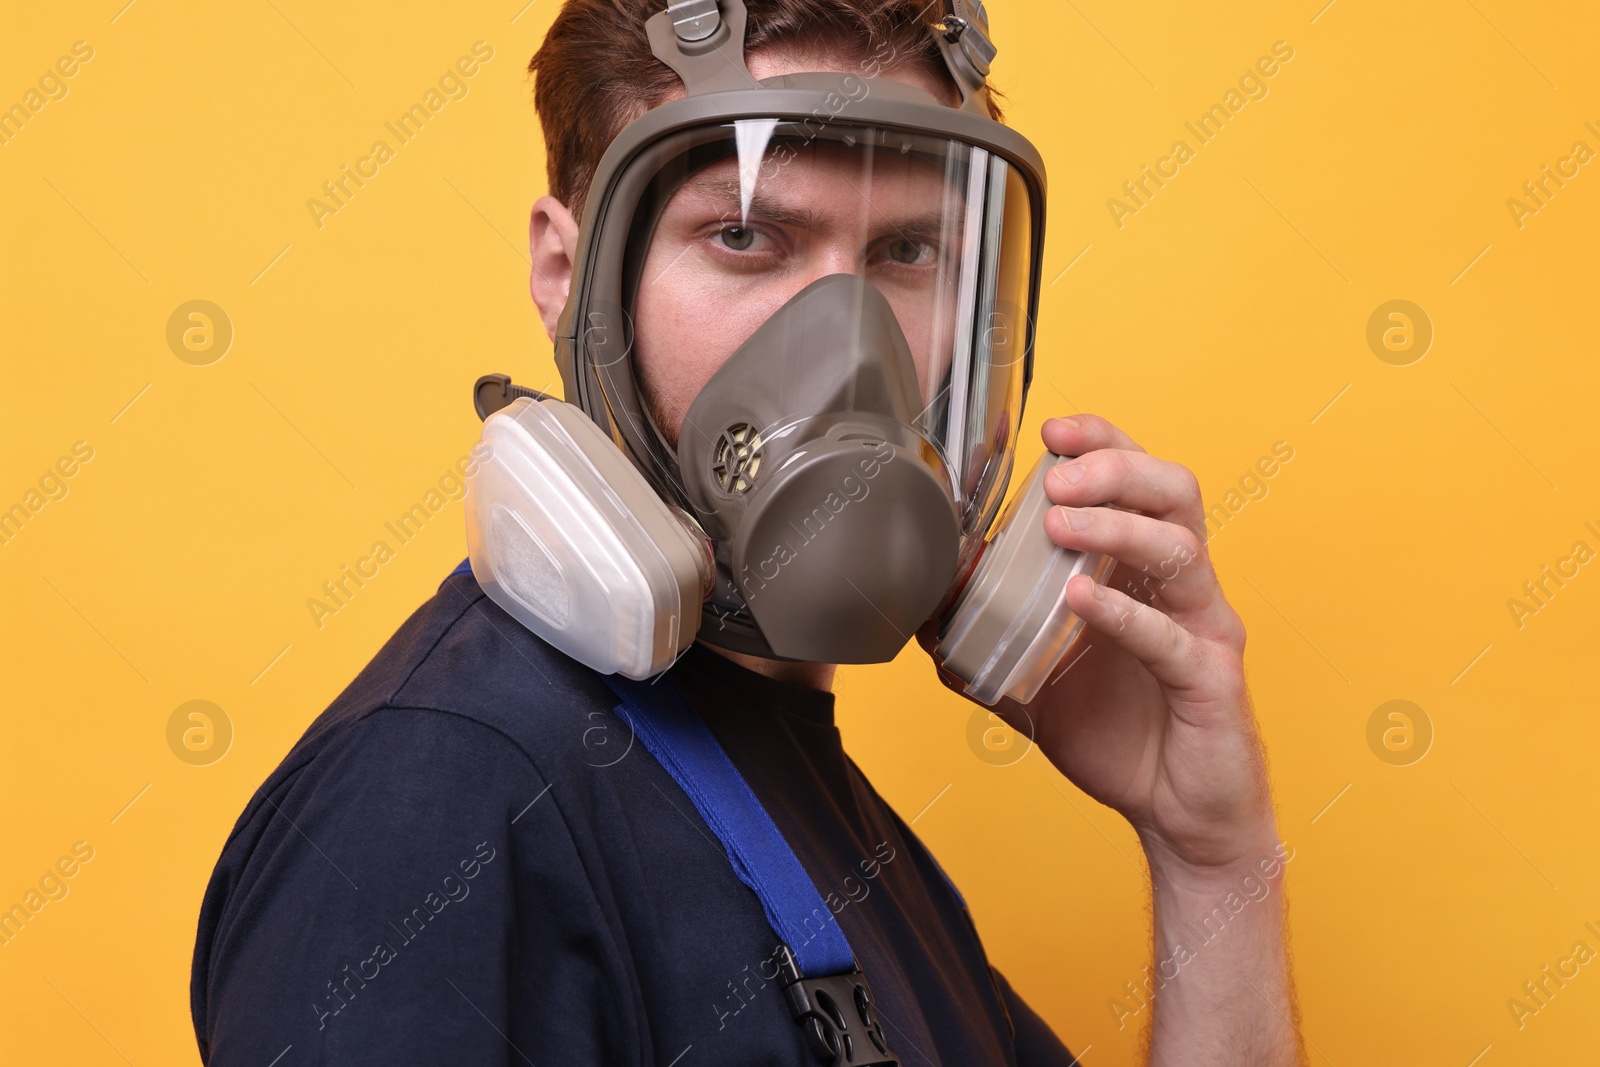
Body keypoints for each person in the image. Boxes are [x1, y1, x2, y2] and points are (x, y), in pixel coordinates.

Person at [191, 2, 1304, 1064]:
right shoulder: (442, 800)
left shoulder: (849, 833)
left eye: (909, 252)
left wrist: (1210, 856)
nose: (847, 340)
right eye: (742, 235)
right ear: (567, 274)